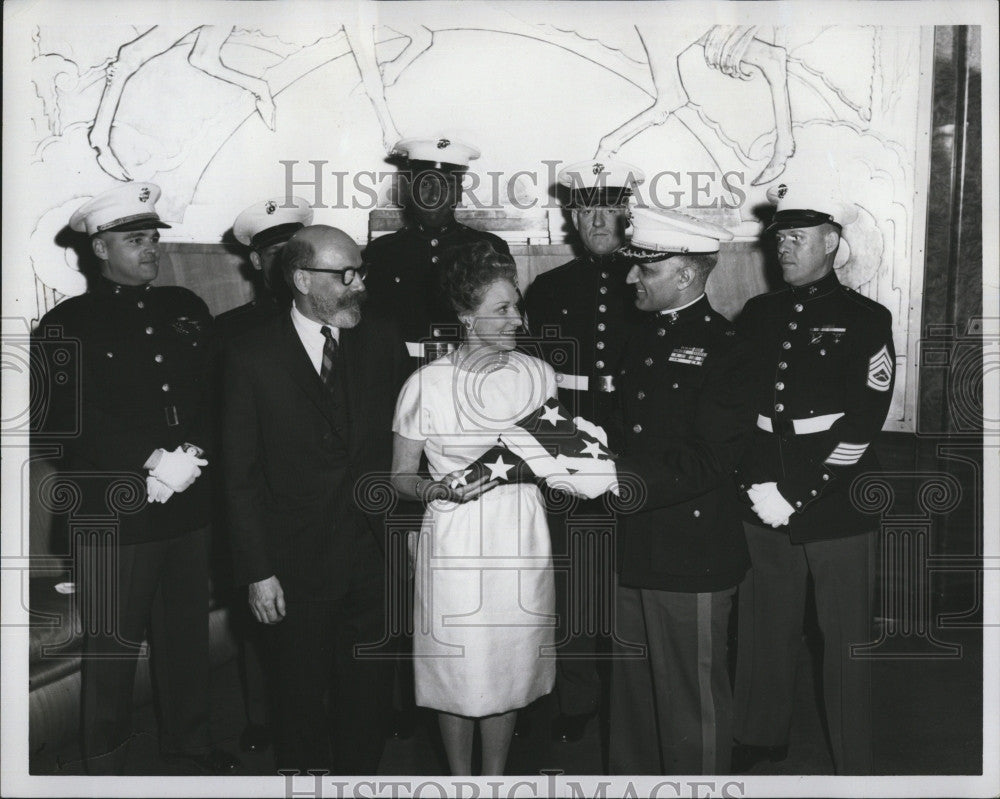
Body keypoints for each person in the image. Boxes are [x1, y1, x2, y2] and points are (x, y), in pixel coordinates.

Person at [31, 182, 238, 775]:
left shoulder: (184, 308)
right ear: (98, 248)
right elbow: (58, 427)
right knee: (112, 649)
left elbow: (209, 393)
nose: (150, 249)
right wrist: (149, 460)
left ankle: (189, 749)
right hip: (111, 513)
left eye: (152, 237)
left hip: (185, 505)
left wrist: (190, 456)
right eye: (134, 239)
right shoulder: (65, 322)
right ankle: (106, 762)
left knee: (184, 643)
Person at [222, 225, 408, 774]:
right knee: (299, 701)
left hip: (373, 558)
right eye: (343, 275)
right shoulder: (249, 356)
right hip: (293, 565)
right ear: (301, 279)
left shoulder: (382, 339)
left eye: (361, 272)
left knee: (367, 697)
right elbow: (239, 476)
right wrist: (257, 571)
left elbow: (403, 449)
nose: (358, 286)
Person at [731, 182, 895, 775]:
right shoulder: (759, 313)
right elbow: (741, 402)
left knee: (844, 638)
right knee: (763, 625)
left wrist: (798, 494)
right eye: (781, 239)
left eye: (798, 238)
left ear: (831, 242)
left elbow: (865, 420)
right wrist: (750, 484)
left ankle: (854, 757)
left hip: (834, 497)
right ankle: (758, 735)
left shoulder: (865, 318)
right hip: (761, 487)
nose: (785, 250)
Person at [390, 241, 556, 775]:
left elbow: (555, 456)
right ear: (466, 318)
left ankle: (495, 780)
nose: (517, 319)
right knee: (458, 669)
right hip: (458, 538)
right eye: (502, 309)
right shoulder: (425, 384)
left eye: (517, 306)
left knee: (510, 664)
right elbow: (398, 478)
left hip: (523, 531)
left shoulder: (538, 375)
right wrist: (435, 492)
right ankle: (461, 781)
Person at [606, 206, 753, 775]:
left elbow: (711, 458)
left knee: (691, 709)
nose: (630, 278)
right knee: (634, 706)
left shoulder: (729, 350)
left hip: (691, 553)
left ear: (687, 274)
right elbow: (629, 433)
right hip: (634, 542)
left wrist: (616, 478)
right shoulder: (641, 339)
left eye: (645, 269)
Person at [523, 158, 644, 743]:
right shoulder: (548, 289)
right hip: (566, 451)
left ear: (627, 212)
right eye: (584, 207)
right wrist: (565, 453)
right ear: (571, 214)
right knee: (574, 582)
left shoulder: (649, 278)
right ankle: (577, 696)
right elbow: (532, 382)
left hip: (634, 448)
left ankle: (630, 696)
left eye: (609, 207)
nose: (597, 218)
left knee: (629, 579)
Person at [214, 196, 313, 755]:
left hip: (320, 499)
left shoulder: (338, 322)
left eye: (293, 254)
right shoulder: (229, 334)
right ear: (256, 262)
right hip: (263, 498)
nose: (283, 267)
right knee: (263, 622)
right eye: (273, 255)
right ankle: (262, 716)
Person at [364, 136, 512, 362]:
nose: (433, 196)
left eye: (445, 185)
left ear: (460, 193)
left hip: (468, 368)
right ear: (410, 191)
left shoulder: (489, 248)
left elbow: (504, 320)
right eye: (425, 184)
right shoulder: (381, 252)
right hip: (398, 370)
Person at [217, 195, 314, 337]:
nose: (287, 262)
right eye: (276, 254)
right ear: (257, 260)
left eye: (293, 252)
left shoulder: (326, 315)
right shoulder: (232, 328)